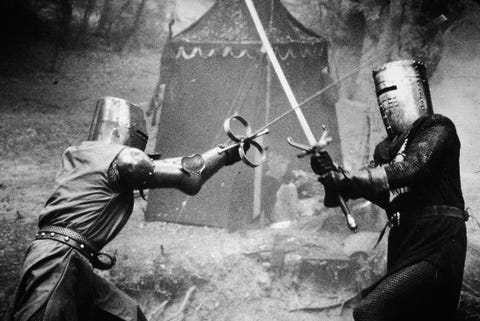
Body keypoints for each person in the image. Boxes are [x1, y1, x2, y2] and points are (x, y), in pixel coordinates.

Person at [9, 97, 246, 321]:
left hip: (68, 259)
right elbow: (190, 179)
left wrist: (223, 150)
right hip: (59, 260)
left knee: (128, 315)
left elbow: (171, 167)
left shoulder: (84, 155)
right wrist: (226, 155)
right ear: (118, 133)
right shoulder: (126, 159)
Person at [310, 60, 467, 321]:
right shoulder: (385, 150)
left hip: (437, 243)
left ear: (416, 92)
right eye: (382, 96)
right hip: (405, 243)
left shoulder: (438, 128)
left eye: (393, 94)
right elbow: (380, 192)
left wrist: (348, 178)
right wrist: (332, 174)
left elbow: (410, 168)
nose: (387, 103)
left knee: (370, 310)